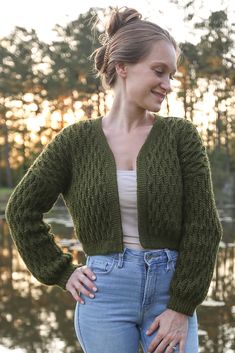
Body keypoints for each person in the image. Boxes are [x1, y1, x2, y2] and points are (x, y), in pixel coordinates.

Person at [5, 6, 223, 353]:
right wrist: (61, 272)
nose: (167, 84)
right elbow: (20, 210)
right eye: (159, 71)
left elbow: (203, 227)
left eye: (171, 75)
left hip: (169, 292)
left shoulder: (180, 135)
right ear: (122, 67)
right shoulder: (75, 141)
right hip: (103, 293)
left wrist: (182, 306)